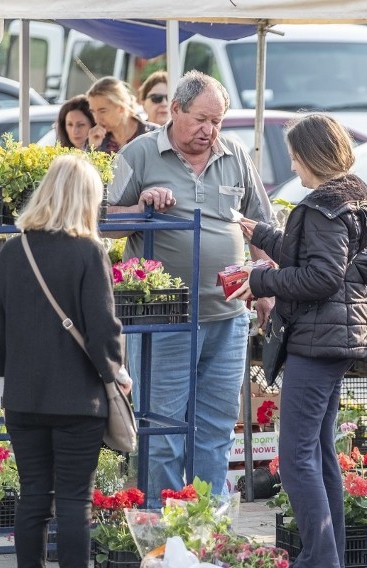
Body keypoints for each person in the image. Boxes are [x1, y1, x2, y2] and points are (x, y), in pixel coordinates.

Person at [106, 70, 275, 506]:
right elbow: (103, 222)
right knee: (162, 428)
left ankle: (207, 529)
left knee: (216, 427)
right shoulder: (139, 154)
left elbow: (263, 226)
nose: (209, 131)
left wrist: (267, 282)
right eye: (201, 119)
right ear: (175, 110)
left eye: (217, 121)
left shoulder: (235, 154)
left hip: (228, 316)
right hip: (165, 319)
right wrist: (141, 207)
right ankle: (161, 531)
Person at [227, 113, 367, 568]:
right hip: (337, 339)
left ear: (313, 155)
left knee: (294, 459)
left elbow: (321, 275)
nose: (293, 167)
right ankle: (328, 555)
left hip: (317, 341)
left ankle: (320, 558)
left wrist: (261, 280)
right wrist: (264, 234)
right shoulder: (354, 200)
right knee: (321, 453)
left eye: (295, 157)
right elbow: (319, 255)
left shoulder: (321, 206)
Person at [0, 155, 129, 567]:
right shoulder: (88, 252)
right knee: (73, 503)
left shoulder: (13, 250)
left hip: (24, 397)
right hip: (78, 401)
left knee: (33, 498)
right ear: (86, 199)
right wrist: (115, 372)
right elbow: (102, 327)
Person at [86, 76, 158, 153]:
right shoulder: (95, 139)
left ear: (121, 107)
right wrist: (92, 149)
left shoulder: (154, 134)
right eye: (93, 112)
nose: (97, 119)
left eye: (102, 111)